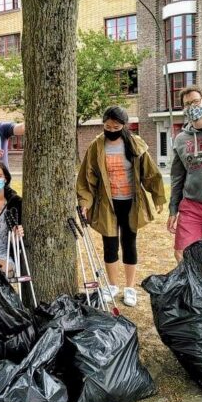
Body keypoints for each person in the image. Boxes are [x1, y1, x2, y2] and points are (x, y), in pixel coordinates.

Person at [76, 106, 165, 307]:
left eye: (116, 126)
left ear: (124, 126)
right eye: (107, 126)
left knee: (129, 243)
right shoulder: (96, 146)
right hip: (107, 203)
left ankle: (130, 288)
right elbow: (86, 178)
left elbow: (150, 173)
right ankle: (113, 285)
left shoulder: (135, 144)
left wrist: (158, 196)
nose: (111, 129)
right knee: (110, 244)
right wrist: (85, 202)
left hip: (131, 202)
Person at [167, 86, 202, 262]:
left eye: (195, 101)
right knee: (182, 253)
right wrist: (173, 209)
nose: (192, 106)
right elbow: (177, 178)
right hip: (192, 206)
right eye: (187, 104)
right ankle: (196, 289)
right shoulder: (181, 139)